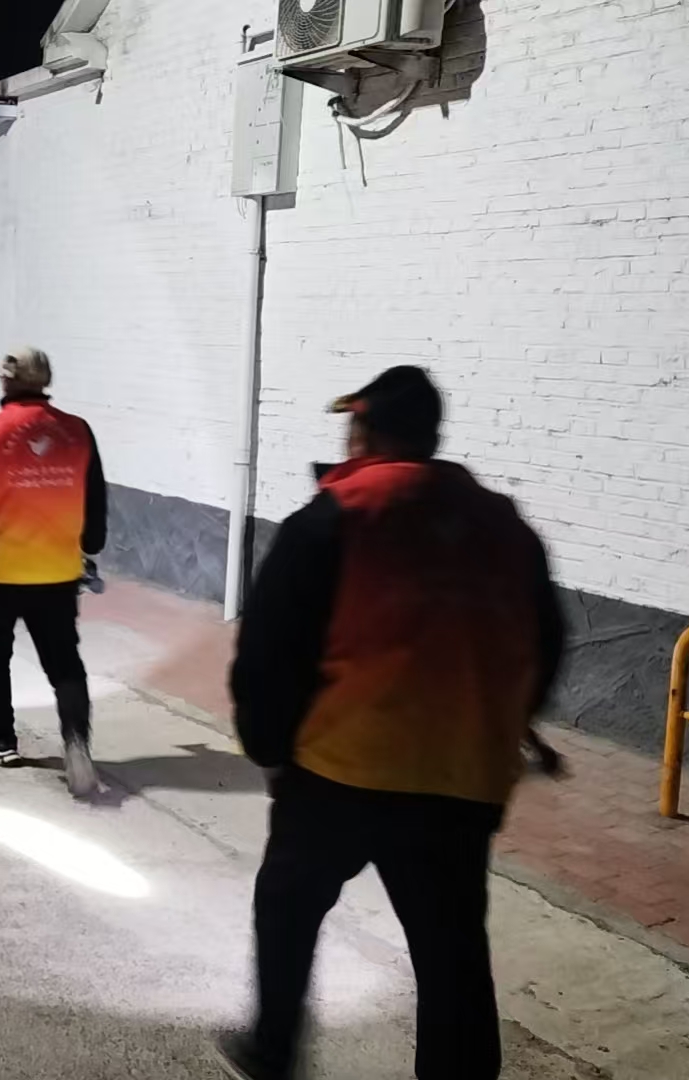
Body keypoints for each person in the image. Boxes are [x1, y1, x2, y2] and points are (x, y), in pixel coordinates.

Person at [219, 365, 565, 1080]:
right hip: (460, 784)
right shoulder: (505, 527)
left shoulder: (336, 516)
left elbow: (269, 651)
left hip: (341, 773)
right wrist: (503, 725)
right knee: (452, 951)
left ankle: (272, 1051)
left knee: (288, 905)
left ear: (364, 432)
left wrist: (270, 748)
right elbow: (549, 640)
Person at [0, 346, 108, 799]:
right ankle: (76, 744)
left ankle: (2, 740)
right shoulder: (78, 432)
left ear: (7, 382)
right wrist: (90, 545)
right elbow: (95, 497)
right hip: (58, 573)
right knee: (65, 664)